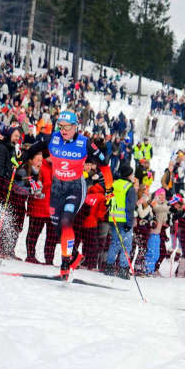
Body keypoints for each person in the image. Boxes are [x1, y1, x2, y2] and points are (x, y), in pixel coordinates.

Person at [39, 111, 111, 280]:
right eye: (61, 127)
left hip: (76, 188)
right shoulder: (54, 138)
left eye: (67, 127)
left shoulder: (85, 143)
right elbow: (34, 148)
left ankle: (65, 265)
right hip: (58, 189)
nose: (63, 130)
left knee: (66, 221)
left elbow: (104, 163)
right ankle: (75, 256)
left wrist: (108, 188)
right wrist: (20, 158)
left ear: (75, 126)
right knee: (58, 227)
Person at [106, 164, 136, 279]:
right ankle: (123, 269)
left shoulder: (113, 184)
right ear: (128, 175)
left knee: (115, 243)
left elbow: (108, 200)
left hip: (113, 218)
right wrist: (129, 223)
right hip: (124, 220)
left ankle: (109, 266)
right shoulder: (129, 187)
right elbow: (130, 207)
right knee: (126, 245)